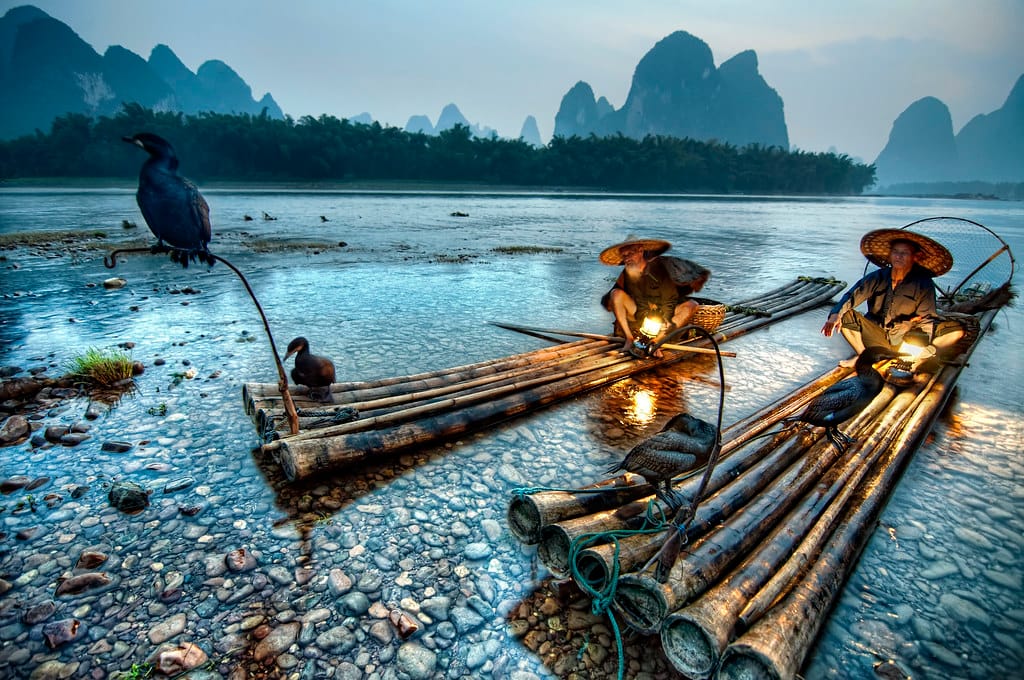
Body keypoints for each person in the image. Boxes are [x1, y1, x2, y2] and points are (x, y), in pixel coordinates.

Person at [821, 228, 963, 369]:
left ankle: (919, 358)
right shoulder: (877, 277)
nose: (898, 257)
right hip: (877, 336)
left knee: (955, 330)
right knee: (844, 313)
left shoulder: (923, 284)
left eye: (904, 253)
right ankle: (864, 357)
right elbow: (852, 296)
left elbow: (927, 319)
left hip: (906, 339)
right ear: (890, 255)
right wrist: (835, 315)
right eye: (895, 252)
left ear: (915, 257)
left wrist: (919, 342)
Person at [599, 236, 710, 354]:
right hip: (642, 314)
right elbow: (621, 300)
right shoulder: (628, 273)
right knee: (616, 294)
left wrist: (663, 320)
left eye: (630, 254)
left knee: (692, 305)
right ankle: (629, 339)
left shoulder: (660, 268)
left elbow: (669, 300)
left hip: (663, 316)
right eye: (624, 256)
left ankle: (656, 342)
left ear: (640, 251)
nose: (627, 259)